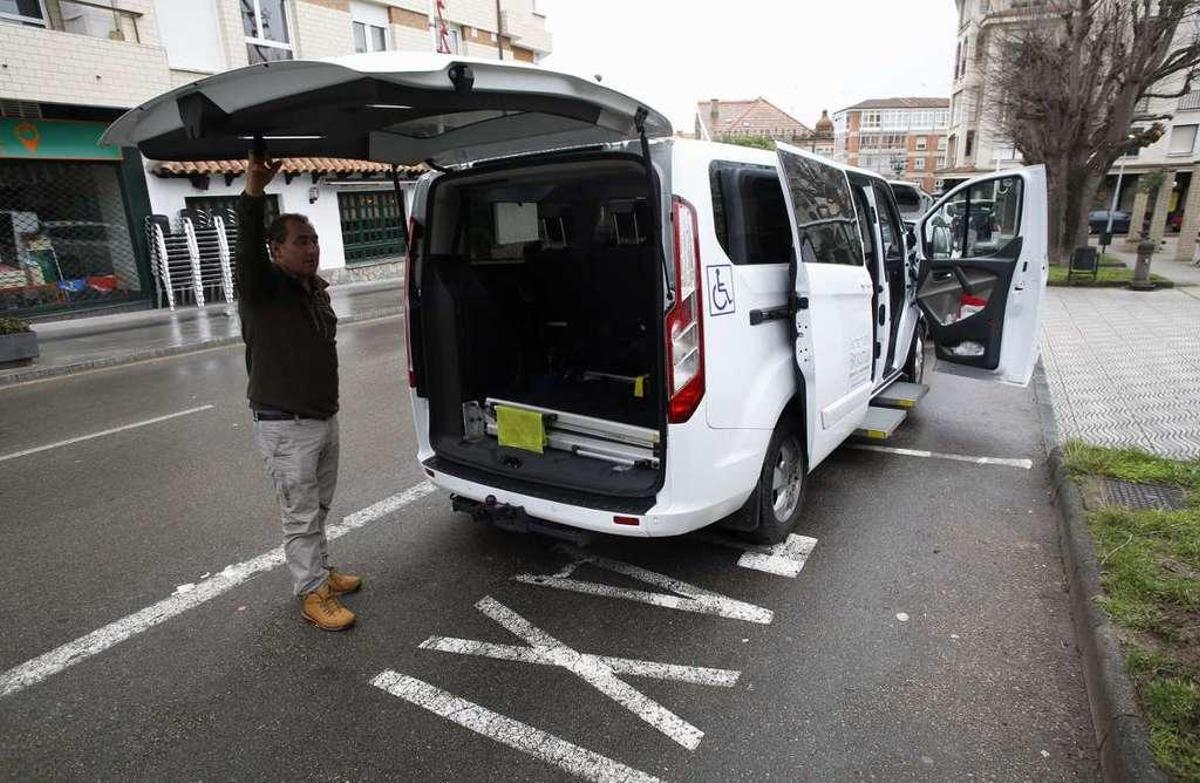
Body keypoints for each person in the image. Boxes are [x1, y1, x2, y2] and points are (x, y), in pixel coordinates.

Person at [237, 151, 361, 631]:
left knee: (318, 508)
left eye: (314, 240)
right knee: (300, 514)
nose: (311, 249)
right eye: (300, 242)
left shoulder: (313, 289)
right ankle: (311, 594)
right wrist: (253, 191)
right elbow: (244, 249)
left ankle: (321, 573)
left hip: (321, 418)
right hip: (285, 425)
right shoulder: (261, 290)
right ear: (275, 250)